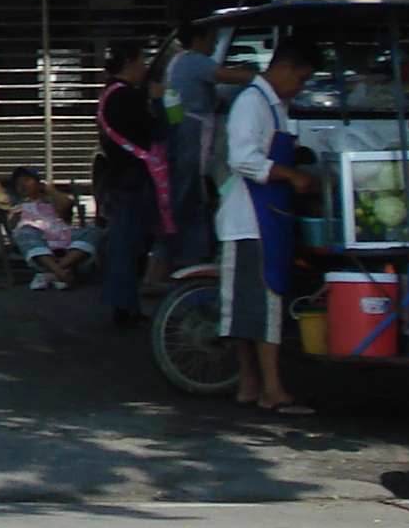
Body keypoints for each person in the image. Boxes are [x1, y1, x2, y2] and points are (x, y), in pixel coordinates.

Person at [218, 33, 323, 416]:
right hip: (250, 218)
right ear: (283, 67)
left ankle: (251, 384)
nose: (302, 87)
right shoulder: (252, 103)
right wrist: (290, 176)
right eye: (302, 78)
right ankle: (271, 389)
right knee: (263, 306)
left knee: (252, 307)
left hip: (269, 217)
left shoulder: (276, 106)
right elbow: (242, 158)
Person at [92, 39, 171, 328]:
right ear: (129, 63)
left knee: (123, 243)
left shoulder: (108, 94)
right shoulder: (131, 98)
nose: (145, 68)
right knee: (130, 246)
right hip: (135, 179)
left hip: (117, 177)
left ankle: (123, 305)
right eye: (142, 61)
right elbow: (160, 131)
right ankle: (125, 308)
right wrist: (164, 102)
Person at [158, 23, 247, 270]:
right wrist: (264, 77)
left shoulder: (178, 61)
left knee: (192, 194)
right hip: (190, 135)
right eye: (211, 38)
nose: (215, 44)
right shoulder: (194, 61)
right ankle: (167, 261)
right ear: (199, 39)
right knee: (186, 194)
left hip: (184, 133)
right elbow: (226, 76)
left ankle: (189, 255)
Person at [5, 167, 98, 290]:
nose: (22, 185)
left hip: (62, 233)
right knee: (25, 232)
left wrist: (50, 189)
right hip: (34, 236)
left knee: (94, 232)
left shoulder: (51, 200)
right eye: (18, 183)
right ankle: (60, 272)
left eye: (27, 180)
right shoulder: (16, 202)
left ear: (39, 184)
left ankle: (53, 272)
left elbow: (67, 203)